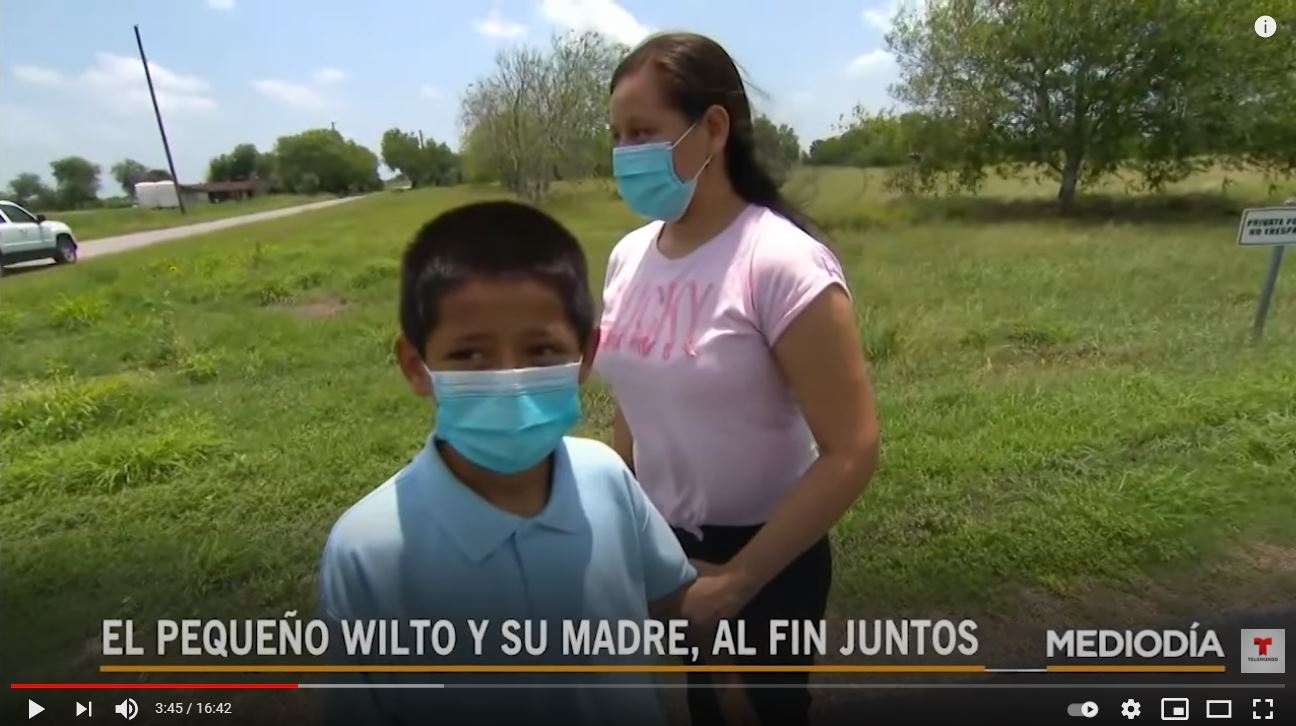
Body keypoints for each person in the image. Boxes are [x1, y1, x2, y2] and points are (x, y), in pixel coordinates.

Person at [317, 201, 748, 726]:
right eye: (471, 356)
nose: (510, 379)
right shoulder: (367, 551)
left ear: (587, 357)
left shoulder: (606, 477)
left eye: (541, 350)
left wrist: (731, 686)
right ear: (417, 366)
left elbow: (674, 600)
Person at [598, 32, 882, 726]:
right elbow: (635, 404)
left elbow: (852, 449)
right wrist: (615, 526)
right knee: (702, 709)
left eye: (644, 131)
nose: (625, 153)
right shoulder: (629, 256)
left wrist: (737, 582)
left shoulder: (781, 263)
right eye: (616, 135)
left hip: (768, 555)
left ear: (713, 128)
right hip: (667, 546)